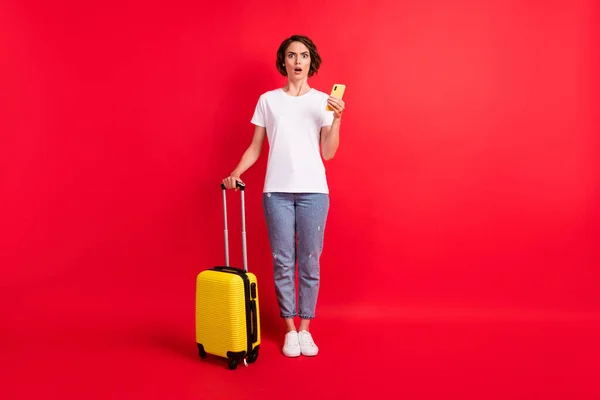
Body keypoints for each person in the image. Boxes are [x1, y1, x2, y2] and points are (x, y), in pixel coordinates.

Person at [221, 34, 345, 358]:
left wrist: (339, 118)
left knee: (309, 261)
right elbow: (255, 147)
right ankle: (290, 330)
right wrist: (236, 172)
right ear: (284, 62)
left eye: (303, 56)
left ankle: (306, 329)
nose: (298, 62)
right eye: (292, 56)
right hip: (275, 192)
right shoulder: (268, 100)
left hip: (314, 192)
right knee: (283, 261)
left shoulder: (322, 102)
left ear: (311, 61)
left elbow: (329, 153)